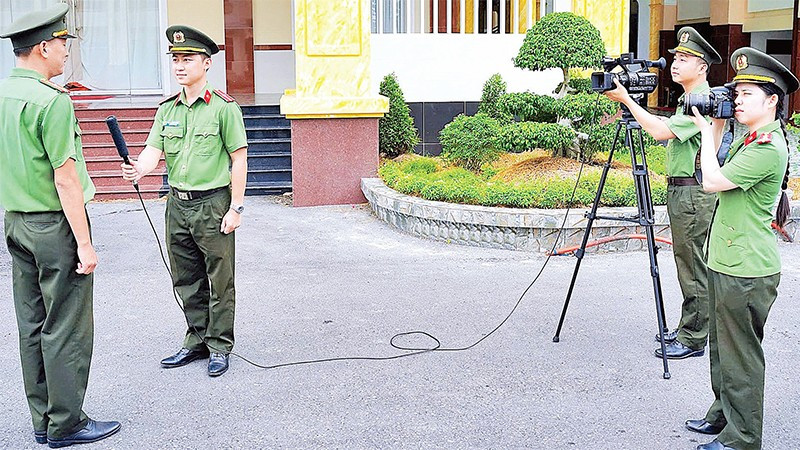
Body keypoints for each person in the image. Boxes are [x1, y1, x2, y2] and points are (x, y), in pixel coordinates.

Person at [0, 4, 121, 447]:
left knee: (31, 325)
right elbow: (65, 179)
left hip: (15, 222)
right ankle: (67, 424)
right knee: (66, 326)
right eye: (63, 44)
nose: (66, 51)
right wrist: (85, 245)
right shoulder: (51, 102)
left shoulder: (4, 95)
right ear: (44, 46)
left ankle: (42, 419)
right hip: (53, 226)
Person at [685, 47, 798, 450]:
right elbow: (709, 168)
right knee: (722, 346)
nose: (737, 99)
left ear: (772, 101)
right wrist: (713, 127)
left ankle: (743, 437)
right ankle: (723, 414)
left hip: (747, 268)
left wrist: (702, 130)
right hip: (727, 260)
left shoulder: (767, 147)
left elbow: (712, 183)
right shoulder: (748, 139)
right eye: (737, 93)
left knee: (741, 356)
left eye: (747, 94)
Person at [121, 25, 248, 377]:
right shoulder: (167, 111)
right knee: (186, 278)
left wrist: (236, 207)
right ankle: (196, 340)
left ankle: (220, 345)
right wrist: (139, 169)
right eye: (175, 59)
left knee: (219, 280)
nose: (179, 66)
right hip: (177, 205)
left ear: (206, 64)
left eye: (187, 58)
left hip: (213, 204)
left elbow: (239, 158)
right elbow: (153, 150)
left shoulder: (223, 109)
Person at [604, 26, 722, 359]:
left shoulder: (703, 101)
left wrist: (627, 99)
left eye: (685, 59)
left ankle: (694, 337)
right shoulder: (689, 99)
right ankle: (690, 326)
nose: (676, 63)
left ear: (702, 67)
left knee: (692, 264)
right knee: (687, 261)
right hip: (685, 191)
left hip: (693, 192)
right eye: (675, 58)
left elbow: (659, 132)